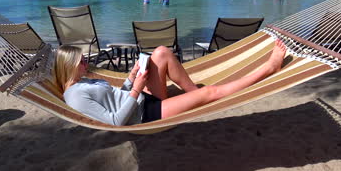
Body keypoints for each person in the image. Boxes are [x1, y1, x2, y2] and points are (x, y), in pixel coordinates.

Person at [50, 40, 287, 126]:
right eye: (81, 61)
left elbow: (115, 98)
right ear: (68, 65)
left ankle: (191, 94)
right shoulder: (75, 95)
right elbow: (116, 120)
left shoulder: (83, 82)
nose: (86, 63)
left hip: (142, 99)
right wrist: (136, 89)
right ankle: (268, 68)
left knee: (161, 52)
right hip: (145, 113)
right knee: (211, 92)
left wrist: (132, 77)